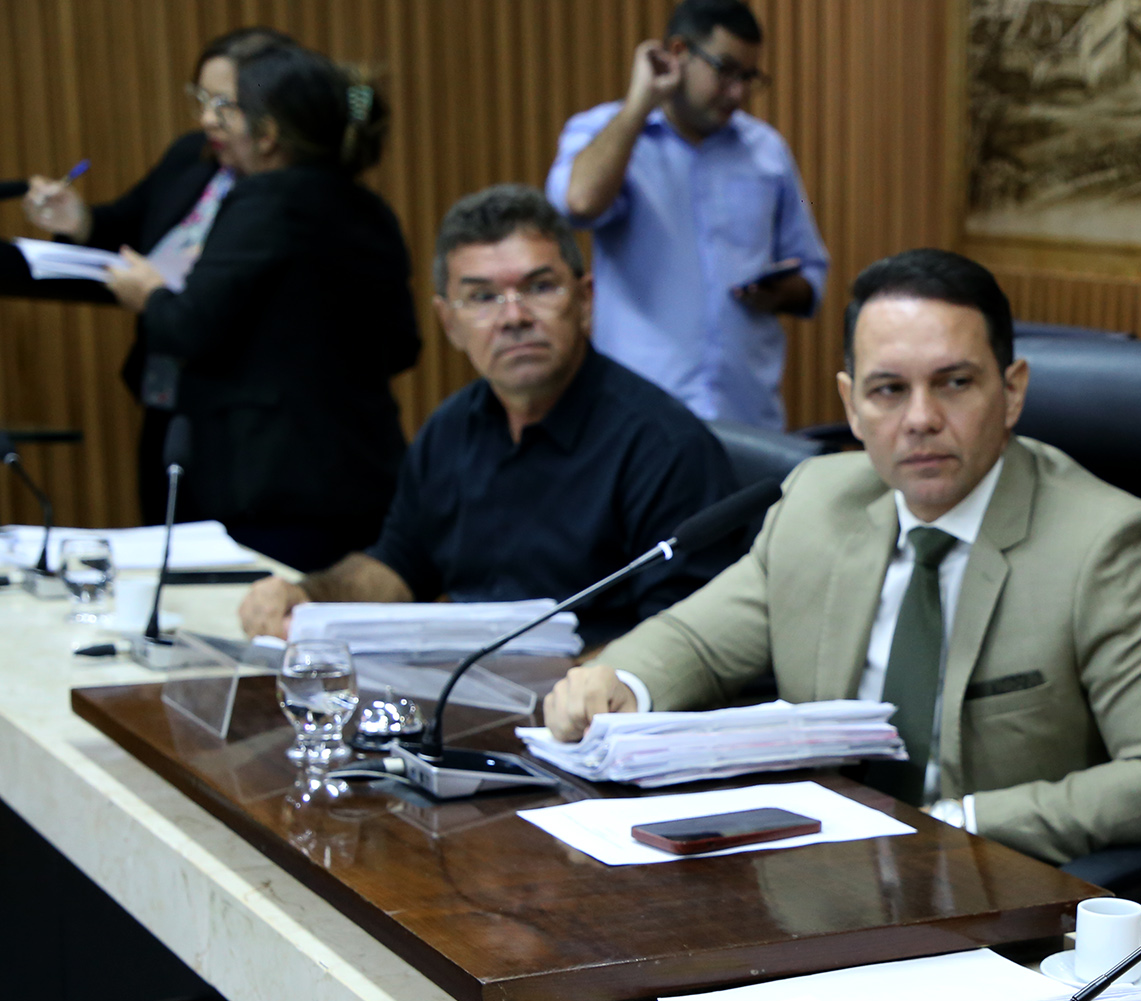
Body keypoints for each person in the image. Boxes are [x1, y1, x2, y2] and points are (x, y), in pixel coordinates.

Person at [543, 249, 1141, 866]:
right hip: (819, 870)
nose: (921, 418)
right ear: (852, 405)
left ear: (1012, 389)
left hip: (991, 885)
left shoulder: (1105, 544)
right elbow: (697, 640)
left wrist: (959, 825)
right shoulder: (818, 501)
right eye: (889, 390)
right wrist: (620, 681)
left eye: (955, 383)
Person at [237, 185, 739, 647]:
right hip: (468, 690)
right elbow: (399, 565)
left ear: (585, 300)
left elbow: (684, 639)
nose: (514, 317)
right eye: (483, 297)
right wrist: (309, 597)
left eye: (539, 287)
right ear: (449, 323)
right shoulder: (450, 430)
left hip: (593, 699)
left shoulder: (663, 447)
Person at [99, 44, 419, 572]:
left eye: (227, 110)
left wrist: (149, 294)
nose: (210, 122)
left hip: (269, 481)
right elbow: (404, 345)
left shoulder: (263, 201)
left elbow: (189, 325)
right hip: (362, 471)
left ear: (267, 134)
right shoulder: (370, 208)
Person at [21, 25, 293, 521]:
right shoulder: (194, 157)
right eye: (201, 100)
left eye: (224, 105)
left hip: (251, 415)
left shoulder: (292, 196)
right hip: (169, 397)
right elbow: (128, 226)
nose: (207, 119)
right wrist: (78, 221)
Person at [545, 0, 828, 428]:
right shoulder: (606, 131)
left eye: (748, 77)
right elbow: (578, 203)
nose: (738, 93)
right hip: (639, 420)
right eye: (725, 71)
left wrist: (781, 292)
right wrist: (640, 104)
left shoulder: (768, 151)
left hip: (747, 416)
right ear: (678, 52)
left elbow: (811, 269)